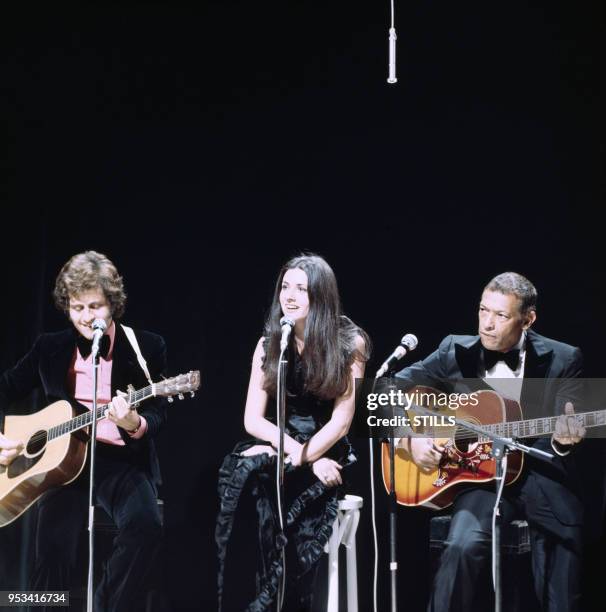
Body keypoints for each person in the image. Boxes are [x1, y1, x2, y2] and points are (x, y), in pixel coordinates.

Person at [395, 272, 586, 612]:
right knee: (460, 547)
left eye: (501, 315)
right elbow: (387, 391)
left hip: (542, 481)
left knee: (561, 580)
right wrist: (410, 439)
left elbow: (569, 435)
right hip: (478, 480)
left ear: (528, 320)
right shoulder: (453, 350)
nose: (487, 324)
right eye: (483, 311)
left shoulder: (564, 358)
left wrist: (563, 442)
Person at [0, 251, 167, 612]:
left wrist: (134, 423)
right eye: (78, 308)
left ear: (113, 304)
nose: (87, 317)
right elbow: (6, 386)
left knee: (145, 527)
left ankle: (105, 606)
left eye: (95, 307)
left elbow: (158, 413)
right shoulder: (49, 347)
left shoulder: (147, 347)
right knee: (52, 549)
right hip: (62, 463)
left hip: (120, 462)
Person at [216, 253, 369, 611]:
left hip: (327, 450)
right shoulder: (270, 343)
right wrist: (289, 454)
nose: (290, 295)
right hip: (283, 445)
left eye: (301, 288)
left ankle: (288, 601)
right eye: (285, 287)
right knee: (243, 475)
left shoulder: (351, 344)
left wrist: (304, 459)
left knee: (290, 499)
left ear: (321, 295)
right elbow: (253, 420)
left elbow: (341, 422)